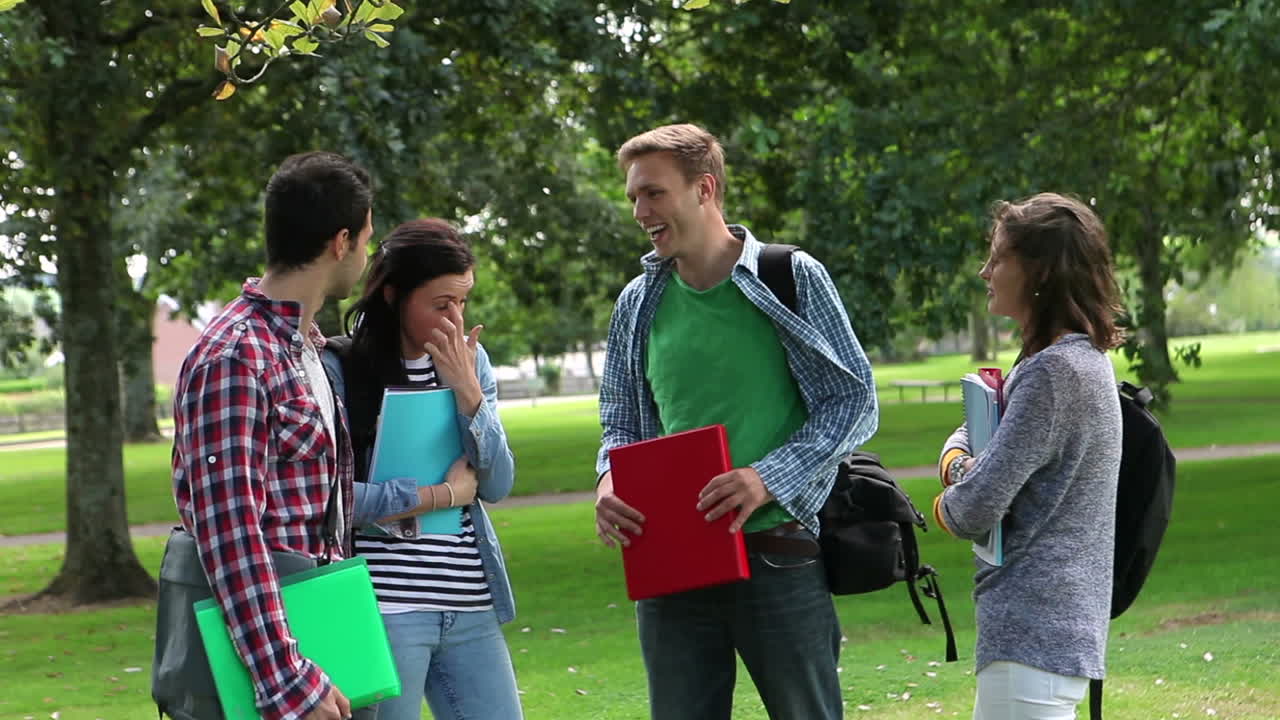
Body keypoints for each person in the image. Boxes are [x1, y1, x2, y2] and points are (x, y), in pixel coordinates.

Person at [592, 123, 878, 720]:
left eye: (654, 193)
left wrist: (765, 478)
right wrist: (608, 479)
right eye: (634, 197)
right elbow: (620, 420)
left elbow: (853, 402)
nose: (641, 212)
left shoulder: (791, 276)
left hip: (778, 551)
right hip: (672, 563)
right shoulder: (636, 303)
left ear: (705, 188)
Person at [171, 151, 373, 720]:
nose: (368, 255)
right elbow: (229, 532)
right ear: (341, 242)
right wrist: (286, 678)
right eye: (367, 239)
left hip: (326, 633)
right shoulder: (235, 356)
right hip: (274, 675)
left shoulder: (302, 346)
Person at [933, 193, 1124, 720]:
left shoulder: (1052, 375)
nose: (984, 271)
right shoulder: (1072, 361)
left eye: (998, 258)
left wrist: (949, 490)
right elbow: (971, 437)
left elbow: (972, 510)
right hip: (1051, 635)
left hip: (1033, 637)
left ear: (1039, 271)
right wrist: (961, 464)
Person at [325, 218, 522, 720]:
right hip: (384, 606)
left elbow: (498, 483)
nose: (455, 319)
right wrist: (440, 495)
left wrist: (469, 393)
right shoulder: (339, 369)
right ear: (393, 295)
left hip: (470, 600)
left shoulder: (472, 363)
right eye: (441, 304)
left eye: (463, 302)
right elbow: (330, 497)